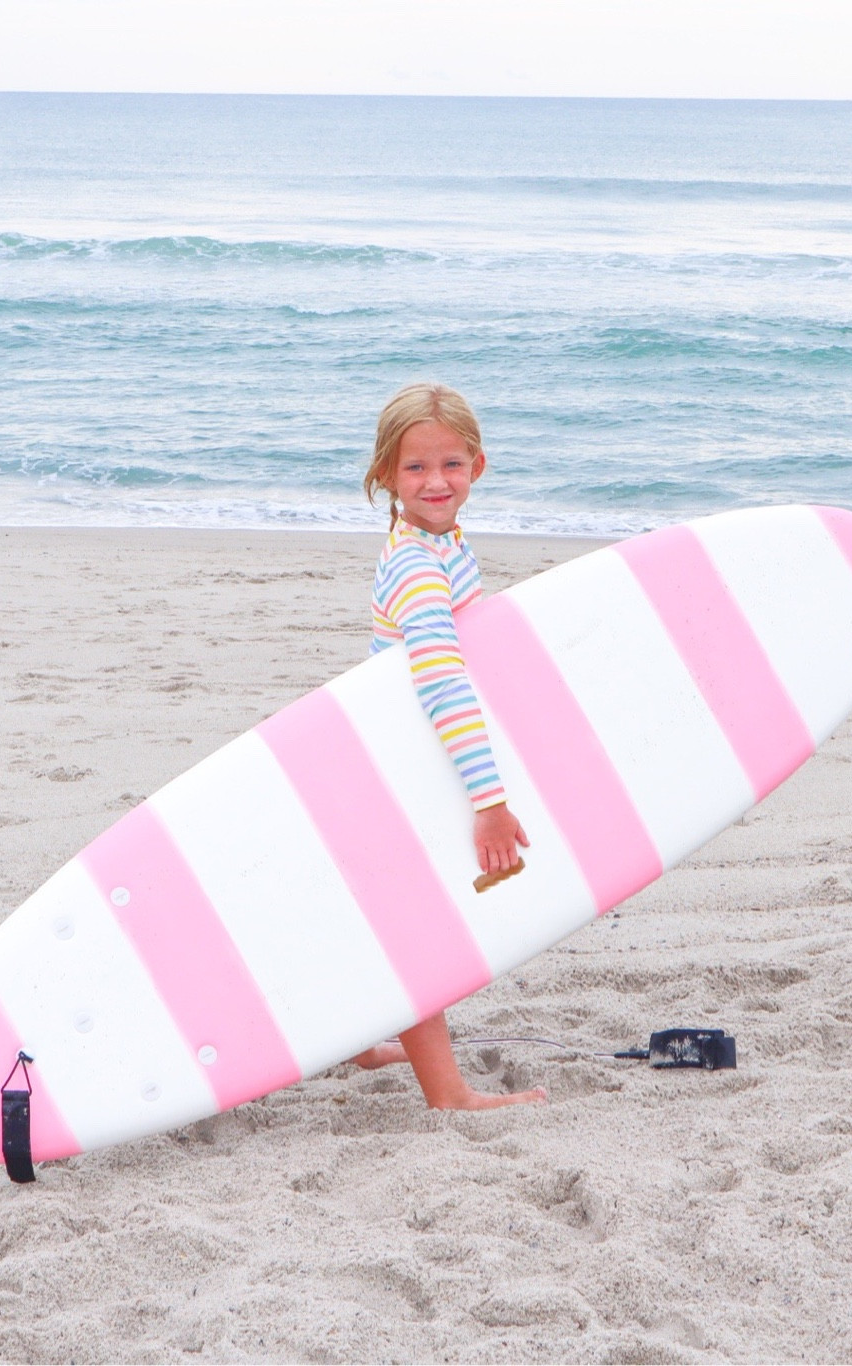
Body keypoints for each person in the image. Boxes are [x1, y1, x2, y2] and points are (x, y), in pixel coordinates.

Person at [343, 381, 547, 1111]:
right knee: (420, 923)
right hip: (411, 761)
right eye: (414, 469)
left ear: (479, 467)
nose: (436, 482)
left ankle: (366, 1040)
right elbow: (443, 685)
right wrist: (489, 802)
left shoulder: (438, 543)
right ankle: (449, 1095)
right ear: (383, 477)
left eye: (451, 465)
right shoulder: (419, 566)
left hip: (406, 756)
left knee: (396, 908)